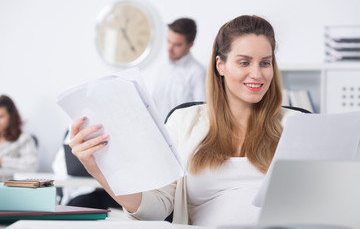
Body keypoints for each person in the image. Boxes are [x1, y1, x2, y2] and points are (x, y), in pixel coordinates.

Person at [69, 15, 301, 227]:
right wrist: (97, 168)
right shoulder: (184, 122)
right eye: (244, 62)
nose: (257, 74)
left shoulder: (296, 125)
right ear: (220, 65)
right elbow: (154, 208)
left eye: (265, 63)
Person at [152, 18, 206, 121]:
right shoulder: (163, 68)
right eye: (168, 41)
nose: (169, 48)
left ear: (190, 45)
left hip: (179, 135)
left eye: (177, 45)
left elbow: (201, 113)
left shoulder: (197, 73)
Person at [0, 95, 38, 171]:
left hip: (8, 182)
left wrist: (2, 161)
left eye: (1, 116)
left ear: (11, 117)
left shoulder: (23, 138)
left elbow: (32, 165)